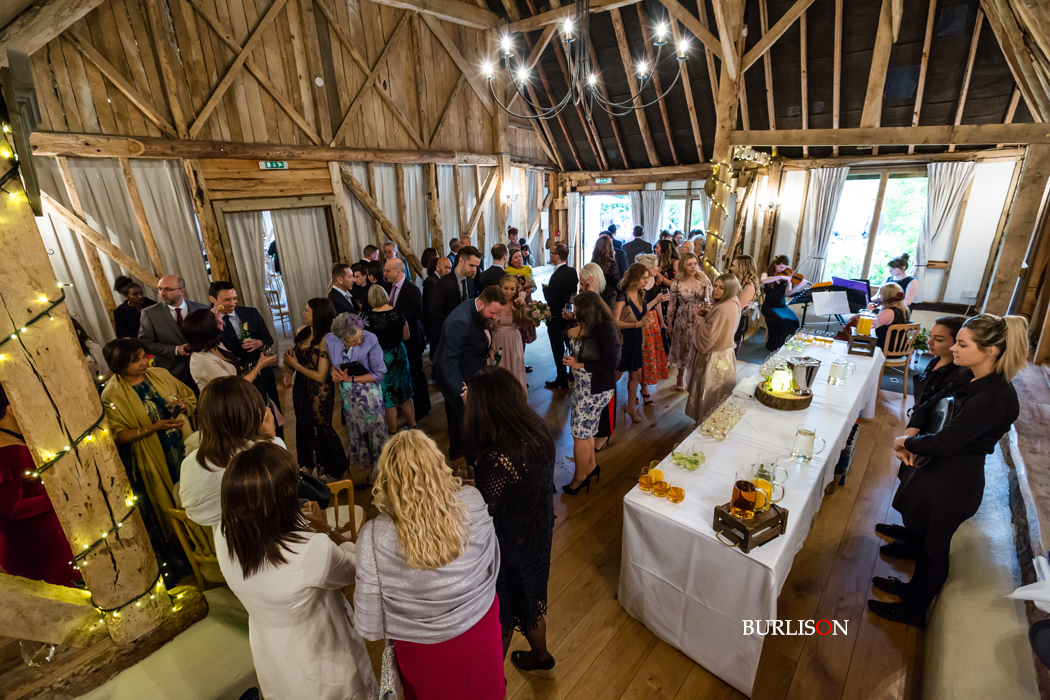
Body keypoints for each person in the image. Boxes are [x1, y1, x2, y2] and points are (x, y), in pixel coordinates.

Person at [872, 314, 1028, 627]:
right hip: (941, 468)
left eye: (962, 343)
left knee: (934, 551)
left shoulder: (995, 397)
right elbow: (933, 401)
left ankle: (914, 610)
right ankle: (909, 585)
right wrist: (914, 430)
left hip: (957, 479)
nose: (954, 348)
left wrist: (906, 442)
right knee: (921, 526)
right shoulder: (969, 375)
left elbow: (947, 442)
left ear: (990, 351)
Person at [217, 442, 378, 700]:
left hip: (272, 652)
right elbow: (357, 569)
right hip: (323, 659)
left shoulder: (224, 536)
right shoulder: (308, 551)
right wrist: (327, 529)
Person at [353, 431, 503, 699]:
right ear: (438, 464)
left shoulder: (374, 536)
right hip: (482, 626)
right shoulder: (472, 500)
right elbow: (493, 564)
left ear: (386, 480)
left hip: (424, 649)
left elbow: (370, 626)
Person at [463, 366, 557, 673]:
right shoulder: (535, 427)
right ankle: (541, 657)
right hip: (537, 531)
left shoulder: (499, 457)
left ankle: (492, 684)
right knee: (528, 599)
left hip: (509, 544)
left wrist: (465, 492)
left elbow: (484, 511)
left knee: (502, 612)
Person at [102, 337, 195, 579]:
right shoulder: (112, 394)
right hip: (153, 452)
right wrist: (153, 428)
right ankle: (187, 551)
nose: (144, 363)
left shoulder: (160, 374)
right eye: (135, 361)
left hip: (182, 442)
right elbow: (118, 434)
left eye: (144, 357)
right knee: (169, 501)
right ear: (119, 366)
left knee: (194, 489)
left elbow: (188, 395)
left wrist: (185, 406)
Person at [0, 382, 79, 586]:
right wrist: (58, 497)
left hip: (41, 537)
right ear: (10, 408)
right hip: (35, 543)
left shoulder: (12, 440)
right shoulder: (7, 450)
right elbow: (10, 509)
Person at [180, 376, 280, 530]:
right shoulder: (270, 449)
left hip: (222, 546)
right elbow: (285, 490)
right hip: (273, 536)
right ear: (253, 413)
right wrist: (270, 438)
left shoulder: (190, 464)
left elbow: (195, 513)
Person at [434, 286, 506, 462]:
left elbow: (474, 337)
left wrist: (488, 350)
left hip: (464, 369)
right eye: (493, 313)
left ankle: (456, 449)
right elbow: (448, 361)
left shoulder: (476, 307)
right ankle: (472, 464)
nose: (495, 317)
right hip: (455, 376)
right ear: (481, 304)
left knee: (455, 414)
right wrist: (462, 391)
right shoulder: (460, 321)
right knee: (468, 422)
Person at [282, 298, 348, 479]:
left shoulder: (327, 338)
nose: (303, 313)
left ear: (318, 314)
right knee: (303, 426)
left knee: (323, 428)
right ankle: (308, 465)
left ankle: (337, 468)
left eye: (307, 311)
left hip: (320, 390)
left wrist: (295, 365)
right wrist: (288, 371)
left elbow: (320, 375)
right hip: (301, 388)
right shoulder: (301, 332)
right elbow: (292, 356)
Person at [562, 292, 621, 494]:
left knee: (579, 434)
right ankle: (591, 467)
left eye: (577, 310)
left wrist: (579, 364)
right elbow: (564, 335)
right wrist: (575, 326)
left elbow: (612, 362)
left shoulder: (606, 328)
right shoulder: (586, 325)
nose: (575, 313)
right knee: (587, 430)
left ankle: (580, 477)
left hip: (596, 388)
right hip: (584, 387)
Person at [208, 281, 281, 428]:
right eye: (227, 300)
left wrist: (259, 343)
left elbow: (269, 339)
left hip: (261, 372)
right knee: (251, 422)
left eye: (234, 298)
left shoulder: (251, 313)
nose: (232, 303)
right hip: (236, 379)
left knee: (273, 416)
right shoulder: (207, 321)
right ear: (213, 299)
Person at [326, 313, 388, 483]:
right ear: (342, 339)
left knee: (376, 430)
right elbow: (334, 364)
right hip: (347, 396)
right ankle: (363, 468)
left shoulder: (371, 339)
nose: (359, 342)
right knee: (355, 430)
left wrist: (351, 379)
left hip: (369, 394)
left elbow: (379, 374)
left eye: (359, 337)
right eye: (353, 341)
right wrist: (335, 373)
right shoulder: (330, 340)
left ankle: (382, 472)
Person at [685, 274, 741, 423]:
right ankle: (717, 422)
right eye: (715, 285)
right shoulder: (733, 302)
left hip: (715, 357)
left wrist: (697, 316)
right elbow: (720, 326)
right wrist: (707, 314)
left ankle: (705, 423)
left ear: (729, 289)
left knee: (709, 394)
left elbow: (707, 337)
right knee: (722, 393)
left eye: (721, 288)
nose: (715, 290)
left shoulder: (722, 308)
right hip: (726, 353)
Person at [138, 274, 209, 391]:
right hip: (172, 372)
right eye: (160, 289)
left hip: (203, 368)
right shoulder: (150, 313)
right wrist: (175, 350)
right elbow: (145, 344)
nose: (162, 293)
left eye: (168, 289)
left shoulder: (202, 309)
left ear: (182, 291)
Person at [615, 264, 664, 424]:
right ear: (635, 278)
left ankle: (630, 407)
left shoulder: (641, 293)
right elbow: (616, 322)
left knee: (635, 375)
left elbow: (642, 313)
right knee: (616, 374)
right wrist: (638, 324)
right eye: (643, 278)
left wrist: (655, 302)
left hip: (637, 339)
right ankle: (600, 402)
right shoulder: (623, 295)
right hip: (624, 340)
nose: (646, 281)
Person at [183, 309, 277, 393]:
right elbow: (233, 387)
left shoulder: (214, 345)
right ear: (209, 330)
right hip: (226, 404)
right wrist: (259, 365)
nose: (219, 321)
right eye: (214, 321)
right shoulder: (202, 360)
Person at [574, 263, 617, 450]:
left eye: (585, 285)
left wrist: (591, 294)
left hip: (601, 360)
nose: (582, 288)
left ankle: (604, 434)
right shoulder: (582, 297)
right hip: (588, 361)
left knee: (604, 402)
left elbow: (604, 319)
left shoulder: (609, 295)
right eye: (581, 285)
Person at [365, 285, 417, 434]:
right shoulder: (399, 313)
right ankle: (413, 425)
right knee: (404, 390)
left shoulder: (368, 317)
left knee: (388, 395)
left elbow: (367, 343)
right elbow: (406, 336)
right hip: (399, 354)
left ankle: (393, 431)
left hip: (381, 357)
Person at [385, 257, 430, 419]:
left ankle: (423, 407)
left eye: (388, 271)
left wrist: (394, 315)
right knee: (407, 373)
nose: (385, 274)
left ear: (398, 271)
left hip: (412, 339)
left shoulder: (412, 289)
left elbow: (418, 313)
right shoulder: (391, 287)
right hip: (400, 339)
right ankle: (410, 404)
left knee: (417, 372)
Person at [667, 252, 713, 391]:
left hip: (700, 316)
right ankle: (680, 376)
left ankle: (696, 377)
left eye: (695, 263)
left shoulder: (703, 279)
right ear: (683, 266)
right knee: (683, 348)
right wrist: (669, 324)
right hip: (682, 319)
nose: (693, 267)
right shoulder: (677, 283)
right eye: (689, 264)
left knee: (698, 347)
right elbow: (672, 305)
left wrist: (708, 305)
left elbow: (711, 297)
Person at [634, 254, 670, 405]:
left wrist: (662, 321)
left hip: (653, 322)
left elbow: (658, 304)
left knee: (650, 357)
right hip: (641, 322)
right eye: (656, 265)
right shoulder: (638, 284)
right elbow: (638, 309)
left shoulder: (654, 281)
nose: (659, 268)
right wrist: (657, 300)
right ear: (649, 268)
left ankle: (644, 388)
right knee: (639, 358)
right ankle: (633, 388)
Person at [430, 245, 483, 344]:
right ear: (461, 260)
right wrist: (457, 321)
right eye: (471, 265)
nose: (474, 269)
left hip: (466, 336)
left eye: (476, 266)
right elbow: (434, 312)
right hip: (448, 335)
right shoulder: (443, 283)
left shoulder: (470, 280)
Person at [543, 243, 578, 390]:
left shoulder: (556, 276)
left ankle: (561, 379)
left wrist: (546, 290)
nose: (551, 255)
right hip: (569, 315)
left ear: (557, 256)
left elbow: (551, 299)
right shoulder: (572, 271)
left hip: (556, 317)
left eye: (552, 253)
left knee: (557, 350)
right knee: (571, 347)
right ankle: (573, 375)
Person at [910, 316, 965, 407]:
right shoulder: (935, 361)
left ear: (958, 343)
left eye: (939, 339)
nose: (929, 342)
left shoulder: (955, 377)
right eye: (930, 336)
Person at [760, 255, 808, 351]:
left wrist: (798, 287)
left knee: (794, 320)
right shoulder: (766, 274)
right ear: (775, 264)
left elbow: (787, 293)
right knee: (780, 320)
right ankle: (774, 346)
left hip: (782, 306)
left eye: (785, 267)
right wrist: (780, 276)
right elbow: (763, 280)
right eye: (781, 267)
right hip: (769, 307)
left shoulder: (787, 277)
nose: (783, 269)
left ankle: (785, 346)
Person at [492, 274, 528, 388]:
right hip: (497, 340)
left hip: (513, 340)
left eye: (512, 289)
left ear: (516, 289)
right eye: (506, 288)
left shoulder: (519, 303)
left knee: (514, 368)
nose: (509, 292)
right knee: (499, 369)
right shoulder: (494, 303)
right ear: (500, 287)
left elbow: (525, 321)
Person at [423, 256, 452, 359]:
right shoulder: (432, 282)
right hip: (434, 325)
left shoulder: (440, 280)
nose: (448, 271)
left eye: (449, 268)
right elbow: (430, 307)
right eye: (445, 268)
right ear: (437, 267)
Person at [730, 255, 759, 349]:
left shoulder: (749, 287)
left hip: (738, 321)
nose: (731, 268)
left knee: (731, 352)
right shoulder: (738, 282)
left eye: (733, 266)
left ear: (742, 268)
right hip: (731, 319)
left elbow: (737, 308)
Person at [871, 282, 911, 350]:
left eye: (880, 295)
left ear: (887, 297)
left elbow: (870, 325)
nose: (879, 298)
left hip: (885, 349)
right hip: (898, 349)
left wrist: (868, 311)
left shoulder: (889, 312)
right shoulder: (904, 310)